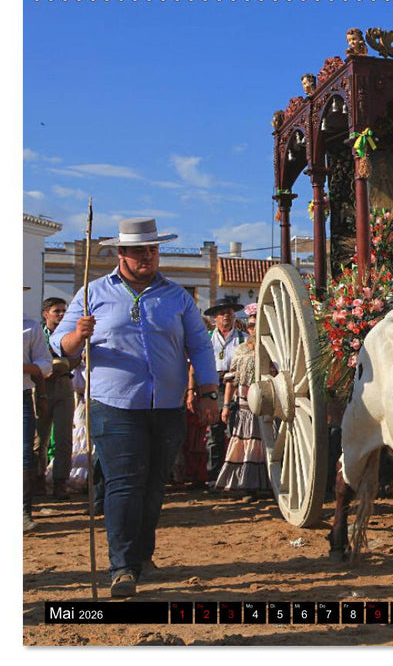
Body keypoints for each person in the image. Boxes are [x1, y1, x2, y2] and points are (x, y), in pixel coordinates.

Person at [51, 218, 219, 597]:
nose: (148, 256)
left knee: (154, 485)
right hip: (114, 405)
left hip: (167, 406)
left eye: (153, 249)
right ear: (120, 253)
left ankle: (142, 555)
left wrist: (208, 391)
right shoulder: (92, 293)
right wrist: (79, 333)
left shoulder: (177, 297)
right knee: (125, 483)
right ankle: (123, 567)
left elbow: (200, 346)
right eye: (140, 250)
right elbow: (61, 345)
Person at [213, 307, 271, 496]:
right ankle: (242, 482)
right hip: (244, 404)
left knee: (262, 443)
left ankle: (262, 484)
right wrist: (226, 406)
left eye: (257, 325)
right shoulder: (240, 349)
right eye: (251, 325)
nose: (254, 328)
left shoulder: (271, 349)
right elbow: (231, 380)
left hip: (264, 404)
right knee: (242, 441)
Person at [191, 298, 245, 488]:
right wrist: (192, 391)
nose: (226, 318)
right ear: (214, 318)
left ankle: (234, 477)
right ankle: (214, 476)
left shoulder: (243, 338)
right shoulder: (207, 338)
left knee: (234, 432)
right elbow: (194, 366)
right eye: (222, 314)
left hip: (236, 386)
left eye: (229, 314)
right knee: (214, 432)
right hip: (212, 385)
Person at [35, 297, 80, 500]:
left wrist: (67, 361)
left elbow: (78, 356)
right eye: (57, 311)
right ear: (46, 314)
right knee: (39, 438)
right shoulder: (36, 334)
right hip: (40, 386)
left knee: (64, 438)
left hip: (64, 384)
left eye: (64, 310)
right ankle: (37, 481)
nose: (62, 314)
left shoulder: (69, 334)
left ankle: (60, 483)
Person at [23, 287, 53, 532]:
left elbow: (44, 363)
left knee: (24, 455)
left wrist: (23, 367)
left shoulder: (29, 327)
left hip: (20, 395)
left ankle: (23, 511)